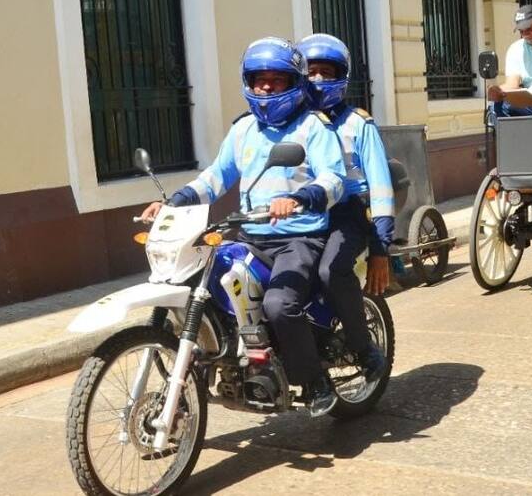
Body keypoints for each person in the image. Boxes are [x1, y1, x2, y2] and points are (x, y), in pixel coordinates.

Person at [138, 37, 347, 416]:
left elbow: (334, 180)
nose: (266, 87)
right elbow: (215, 177)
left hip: (299, 239)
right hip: (251, 237)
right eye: (259, 79)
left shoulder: (314, 128)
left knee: (279, 304)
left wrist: (299, 199)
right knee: (204, 285)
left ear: (294, 83)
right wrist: (173, 202)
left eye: (276, 80)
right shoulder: (243, 130)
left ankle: (315, 381)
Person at [294, 33, 392, 384]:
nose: (318, 79)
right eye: (311, 72)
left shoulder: (358, 124)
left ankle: (364, 348)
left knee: (330, 272)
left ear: (341, 76)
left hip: (347, 214)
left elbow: (381, 188)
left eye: (326, 71)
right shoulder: (293, 124)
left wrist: (380, 249)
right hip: (303, 215)